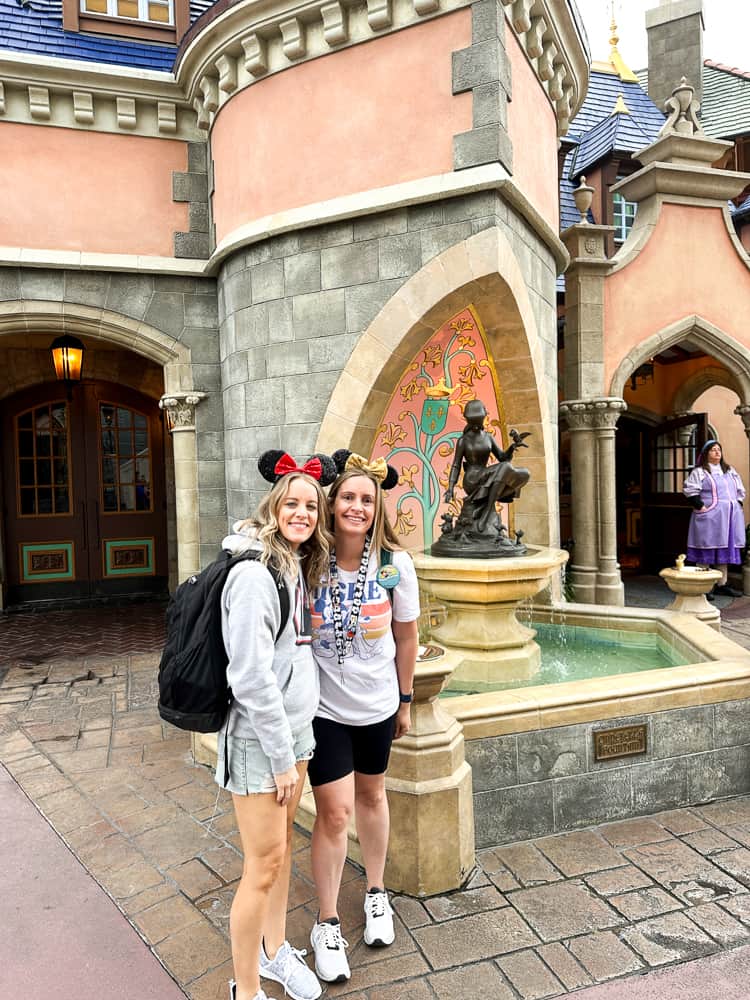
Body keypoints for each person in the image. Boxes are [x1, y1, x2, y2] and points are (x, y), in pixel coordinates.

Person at [216, 449, 336, 1000]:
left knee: (282, 852)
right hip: (262, 743)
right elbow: (249, 676)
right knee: (261, 865)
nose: (302, 513)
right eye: (292, 503)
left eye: (311, 505)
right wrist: (283, 756)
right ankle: (245, 989)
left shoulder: (293, 563)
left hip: (294, 731)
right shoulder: (253, 574)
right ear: (274, 506)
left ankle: (274, 952)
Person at [307, 451, 420, 984]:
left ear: (378, 509)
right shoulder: (308, 563)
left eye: (367, 499)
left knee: (373, 796)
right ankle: (326, 920)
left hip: (377, 706)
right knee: (333, 813)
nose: (357, 506)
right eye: (347, 497)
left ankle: (376, 893)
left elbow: (406, 636)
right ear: (332, 505)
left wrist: (404, 699)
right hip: (324, 710)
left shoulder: (396, 566)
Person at [444, 399, 529, 534]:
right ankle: (487, 512)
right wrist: (450, 487)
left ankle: (485, 507)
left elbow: (502, 457)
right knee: (506, 467)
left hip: (486, 474)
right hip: (472, 479)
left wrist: (512, 447)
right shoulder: (463, 440)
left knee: (525, 474)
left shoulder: (488, 437)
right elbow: (456, 465)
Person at [683, 439, 745, 598]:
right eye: (713, 450)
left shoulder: (729, 470)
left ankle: (721, 584)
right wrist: (702, 507)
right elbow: (690, 491)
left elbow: (739, 490)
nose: (717, 452)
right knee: (706, 548)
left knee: (723, 550)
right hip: (709, 516)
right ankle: (704, 586)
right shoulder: (700, 472)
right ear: (706, 454)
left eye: (719, 449)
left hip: (729, 517)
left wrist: (737, 505)